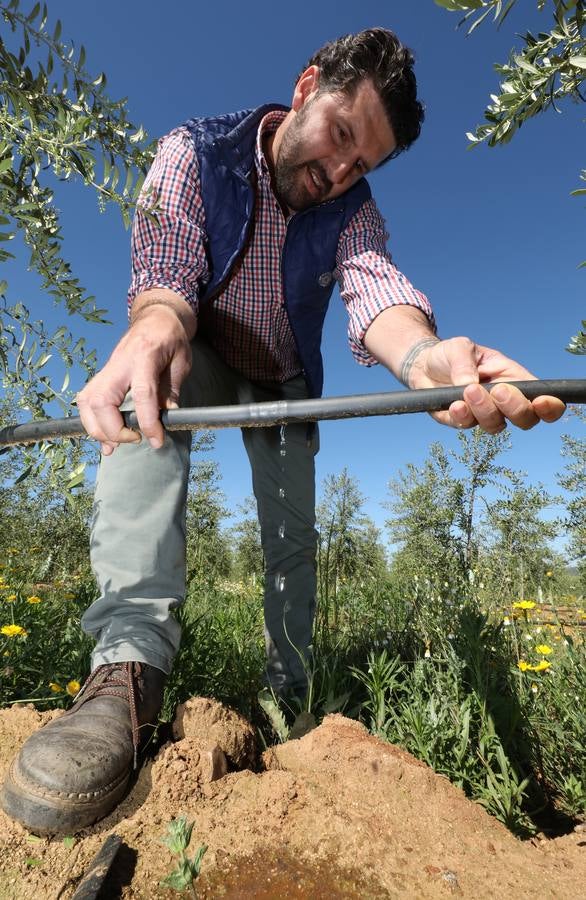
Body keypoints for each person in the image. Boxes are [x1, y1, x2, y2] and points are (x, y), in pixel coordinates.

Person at [1, 27, 564, 835]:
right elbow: (163, 276)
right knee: (147, 381)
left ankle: (289, 696)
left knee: (291, 539)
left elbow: (379, 296)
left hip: (288, 380)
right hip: (202, 345)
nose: (339, 174)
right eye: (341, 134)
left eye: (362, 164)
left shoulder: (352, 213)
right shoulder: (192, 153)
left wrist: (427, 357)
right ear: (305, 89)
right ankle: (126, 671)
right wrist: (154, 327)